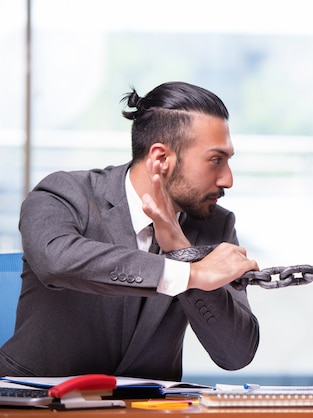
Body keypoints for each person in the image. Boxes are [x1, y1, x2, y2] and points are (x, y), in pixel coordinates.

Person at [0, 81, 260, 381]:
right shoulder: (63, 194)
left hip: (149, 411)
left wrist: (181, 249)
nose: (227, 179)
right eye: (216, 160)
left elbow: (236, 353)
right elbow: (56, 261)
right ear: (161, 159)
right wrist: (190, 273)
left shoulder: (215, 224)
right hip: (38, 404)